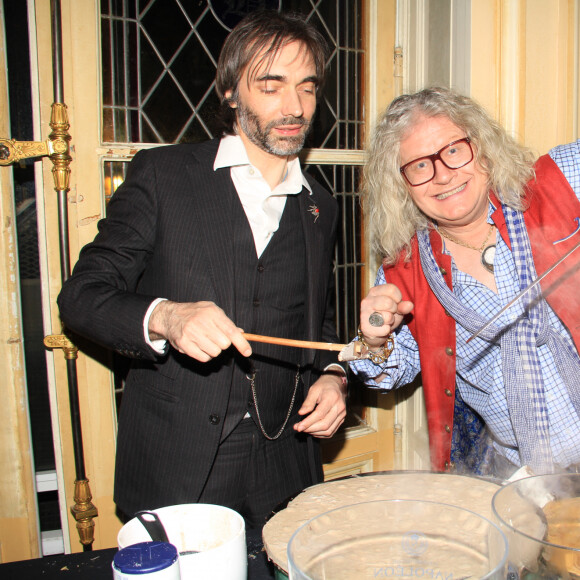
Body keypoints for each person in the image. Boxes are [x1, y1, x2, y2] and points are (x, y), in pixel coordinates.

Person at [57, 10, 347, 529]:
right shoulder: (163, 176)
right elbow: (81, 297)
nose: (295, 107)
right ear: (232, 92)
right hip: (179, 463)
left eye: (307, 87)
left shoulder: (320, 208)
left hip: (287, 464)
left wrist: (333, 377)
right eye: (271, 85)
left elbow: (318, 329)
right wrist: (166, 316)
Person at [350, 86, 580, 479]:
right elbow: (390, 374)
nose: (441, 175)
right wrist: (373, 340)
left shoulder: (559, 181)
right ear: (402, 184)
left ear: (483, 148)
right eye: (419, 166)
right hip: (524, 476)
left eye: (453, 150)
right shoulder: (403, 271)